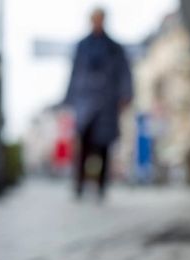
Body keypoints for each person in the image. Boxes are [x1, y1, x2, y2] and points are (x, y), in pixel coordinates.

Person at [64, 7, 133, 199]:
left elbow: (124, 73)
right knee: (83, 144)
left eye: (100, 19)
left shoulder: (115, 48)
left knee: (103, 146)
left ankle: (101, 187)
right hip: (85, 100)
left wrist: (125, 95)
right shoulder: (82, 46)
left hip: (107, 101)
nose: (97, 22)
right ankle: (79, 184)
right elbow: (74, 73)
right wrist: (69, 100)